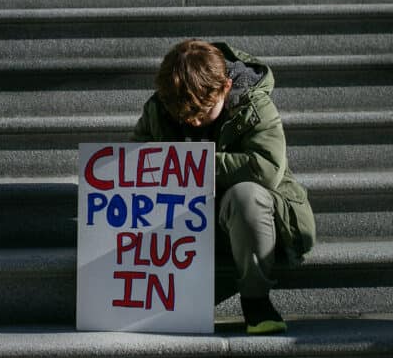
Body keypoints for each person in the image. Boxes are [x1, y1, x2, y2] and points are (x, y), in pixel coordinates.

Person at [132, 39, 316, 334]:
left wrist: (195, 164)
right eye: (183, 116)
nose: (192, 122)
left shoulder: (255, 105)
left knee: (247, 196)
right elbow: (134, 166)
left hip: (250, 217)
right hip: (189, 218)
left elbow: (265, 169)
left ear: (226, 88)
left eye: (202, 113)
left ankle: (256, 301)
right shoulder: (161, 105)